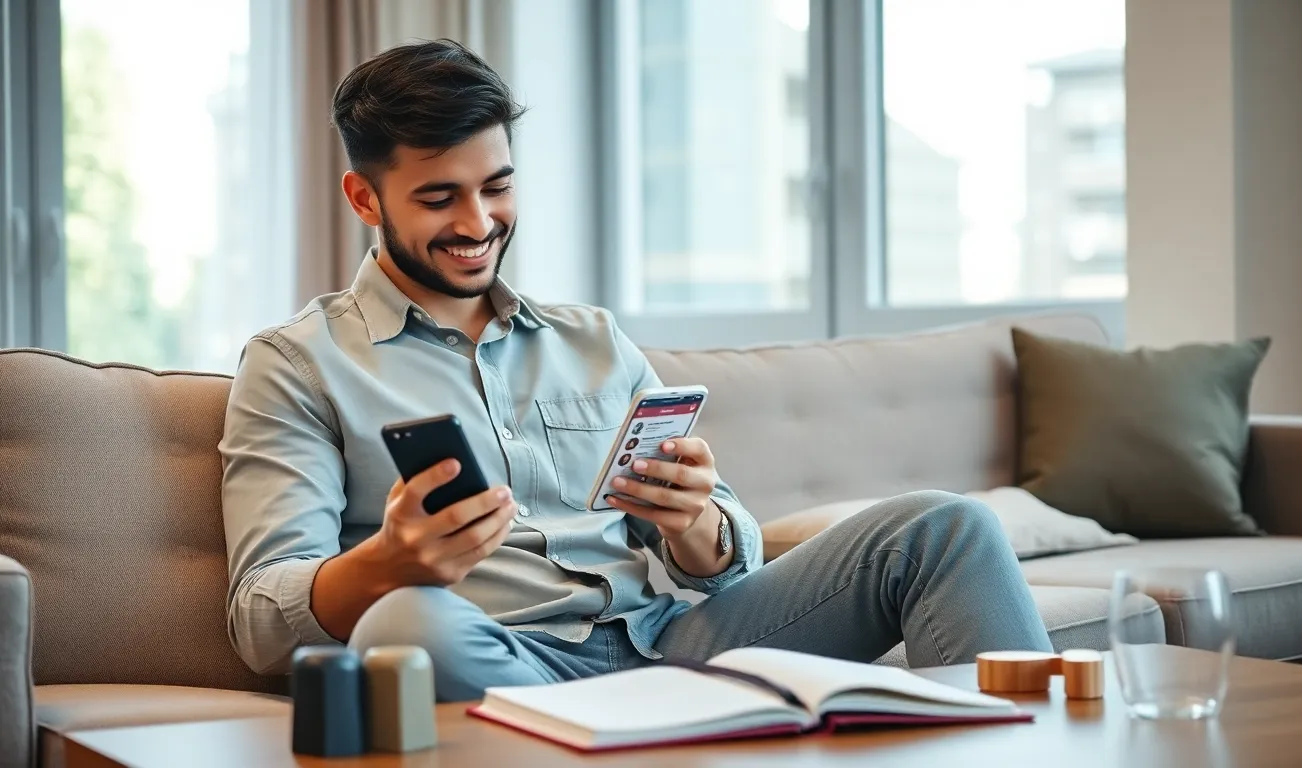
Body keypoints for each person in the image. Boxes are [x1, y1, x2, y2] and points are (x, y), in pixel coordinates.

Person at [220, 39, 1051, 703]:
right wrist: (390, 562)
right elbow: (261, 618)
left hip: (675, 646)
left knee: (947, 528)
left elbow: (728, 562)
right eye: (439, 199)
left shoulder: (594, 340)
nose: (479, 222)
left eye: (498, 187)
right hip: (502, 662)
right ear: (365, 200)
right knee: (404, 626)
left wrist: (696, 525)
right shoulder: (298, 364)